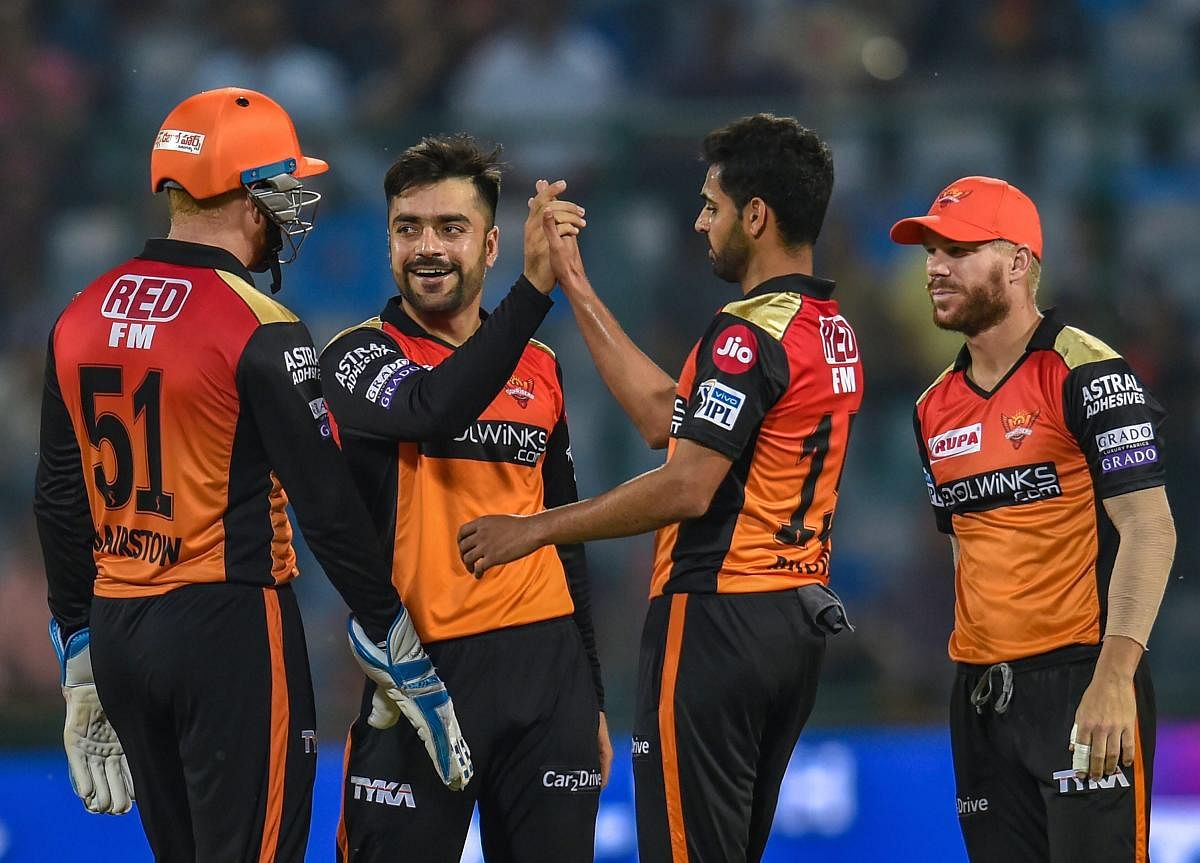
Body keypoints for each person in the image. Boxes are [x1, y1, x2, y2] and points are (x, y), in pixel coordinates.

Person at [33, 87, 470, 863]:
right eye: (284, 187)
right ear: (246, 191)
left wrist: (78, 645)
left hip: (120, 635)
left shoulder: (78, 313)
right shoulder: (259, 326)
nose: (293, 209)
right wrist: (388, 629)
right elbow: (327, 505)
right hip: (227, 630)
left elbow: (59, 499)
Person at [458, 113, 862, 863]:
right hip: (791, 624)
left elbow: (686, 486)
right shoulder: (824, 326)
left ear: (756, 216)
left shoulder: (742, 335)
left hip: (715, 619)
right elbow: (662, 418)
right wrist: (572, 282)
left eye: (712, 205)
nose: (701, 221)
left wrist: (536, 527)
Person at [318, 134, 609, 863]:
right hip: (418, 679)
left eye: (450, 228)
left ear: (490, 243)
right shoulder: (355, 355)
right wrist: (533, 293)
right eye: (407, 227)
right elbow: (429, 409)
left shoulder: (539, 364)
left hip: (549, 682)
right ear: (387, 241)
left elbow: (561, 535)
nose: (427, 248)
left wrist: (592, 694)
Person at [891, 176, 1176, 862]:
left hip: (1085, 683)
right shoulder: (932, 407)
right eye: (931, 250)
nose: (934, 266)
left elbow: (1150, 527)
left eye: (957, 249)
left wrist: (1113, 677)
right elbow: (967, 549)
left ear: (1018, 263)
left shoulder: (1086, 370)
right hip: (984, 700)